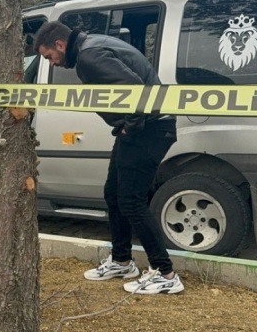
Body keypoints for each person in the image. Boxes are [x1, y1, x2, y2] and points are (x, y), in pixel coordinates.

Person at [33, 20, 183, 295]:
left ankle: (165, 273)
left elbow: (136, 90)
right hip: (145, 128)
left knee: (131, 200)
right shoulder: (93, 45)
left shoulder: (89, 56)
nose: (52, 63)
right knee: (113, 194)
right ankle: (122, 261)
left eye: (49, 57)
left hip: (149, 129)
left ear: (60, 45)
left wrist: (131, 126)